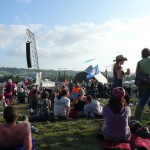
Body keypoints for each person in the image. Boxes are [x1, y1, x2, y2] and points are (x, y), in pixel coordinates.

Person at [134, 48, 150, 121]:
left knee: (145, 98)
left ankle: (137, 116)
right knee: (144, 100)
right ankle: (137, 116)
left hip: (142, 83)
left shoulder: (139, 62)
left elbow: (136, 73)